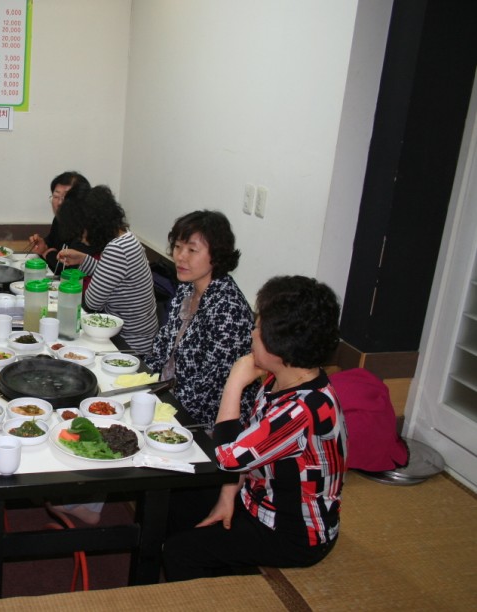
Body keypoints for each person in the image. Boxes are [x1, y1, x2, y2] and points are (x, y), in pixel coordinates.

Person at [163, 275, 346, 582]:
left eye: (259, 328)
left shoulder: (301, 410)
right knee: (174, 500)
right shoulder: (286, 380)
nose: (252, 332)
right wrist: (227, 496)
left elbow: (226, 458)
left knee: (180, 552)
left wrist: (234, 382)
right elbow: (247, 445)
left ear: (280, 349)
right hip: (257, 496)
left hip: (292, 532)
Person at [145, 210, 258, 429]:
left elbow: (209, 391)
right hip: (166, 397)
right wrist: (142, 384)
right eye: (178, 247)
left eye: (192, 250)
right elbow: (161, 349)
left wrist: (158, 409)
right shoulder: (187, 288)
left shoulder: (228, 310)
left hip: (203, 424)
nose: (180, 257)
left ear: (216, 255)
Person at [56, 185, 158, 354]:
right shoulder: (127, 238)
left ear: (94, 225)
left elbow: (92, 302)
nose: (82, 238)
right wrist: (84, 259)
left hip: (128, 343)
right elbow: (116, 278)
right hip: (135, 336)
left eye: (82, 231)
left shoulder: (117, 249)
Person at [27, 171, 100, 273]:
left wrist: (46, 253)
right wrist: (43, 244)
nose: (60, 202)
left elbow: (68, 267)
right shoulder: (60, 219)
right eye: (56, 197)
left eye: (66, 198)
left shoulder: (89, 228)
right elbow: (51, 242)